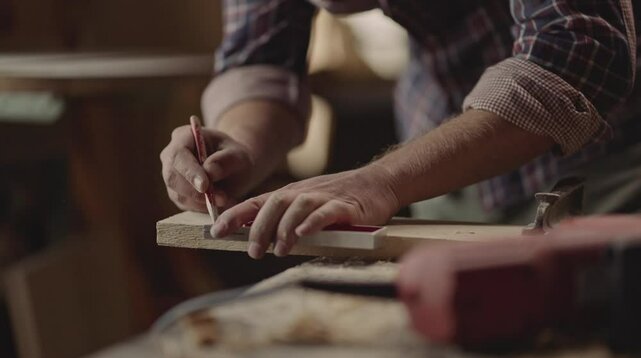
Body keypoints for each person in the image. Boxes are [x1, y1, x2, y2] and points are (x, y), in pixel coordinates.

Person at [160, 0, 641, 259]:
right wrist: (242, 141)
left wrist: (379, 180)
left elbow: (576, 52)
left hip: (611, 165)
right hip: (443, 175)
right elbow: (260, 55)